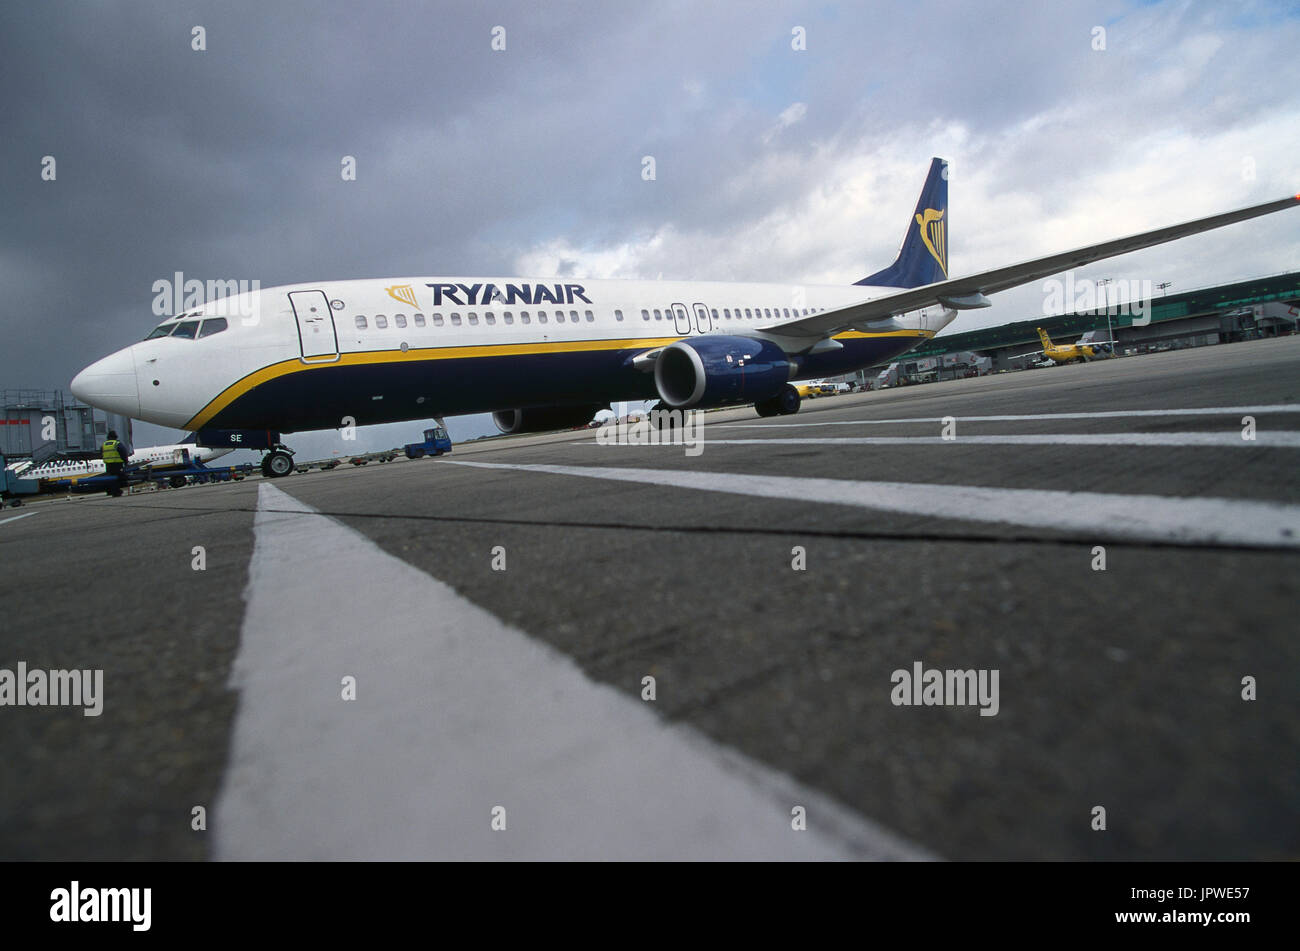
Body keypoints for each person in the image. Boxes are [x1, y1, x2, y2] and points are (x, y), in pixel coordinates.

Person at [101, 429, 132, 497]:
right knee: (120, 478)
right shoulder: (117, 444)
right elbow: (123, 453)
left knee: (111, 478)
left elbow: (101, 454)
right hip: (117, 464)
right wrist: (126, 462)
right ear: (116, 436)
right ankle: (116, 491)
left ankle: (111, 491)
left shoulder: (104, 445)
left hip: (108, 465)